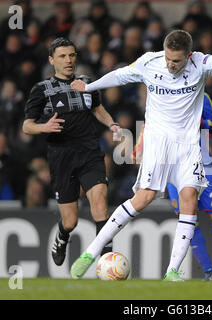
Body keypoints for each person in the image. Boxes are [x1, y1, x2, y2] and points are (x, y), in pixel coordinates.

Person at [70, 29, 212, 281]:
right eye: (168, 58)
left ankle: (172, 272)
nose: (170, 64)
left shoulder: (200, 63)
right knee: (144, 198)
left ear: (188, 55)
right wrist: (89, 86)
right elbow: (121, 76)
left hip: (187, 146)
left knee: (189, 197)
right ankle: (91, 252)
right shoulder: (149, 62)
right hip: (158, 141)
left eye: (176, 60)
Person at [22, 38, 120, 267]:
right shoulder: (41, 90)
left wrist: (112, 124)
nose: (68, 60)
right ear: (51, 60)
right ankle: (62, 236)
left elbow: (97, 108)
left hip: (90, 152)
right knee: (70, 220)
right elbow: (27, 126)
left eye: (72, 55)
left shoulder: (86, 82)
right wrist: (43, 127)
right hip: (61, 157)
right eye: (62, 56)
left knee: (100, 203)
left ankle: (107, 262)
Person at [132, 93, 212, 281]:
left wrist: (202, 124)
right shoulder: (161, 92)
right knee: (187, 217)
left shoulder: (201, 95)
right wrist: (139, 147)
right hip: (174, 169)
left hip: (203, 166)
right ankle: (208, 270)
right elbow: (150, 123)